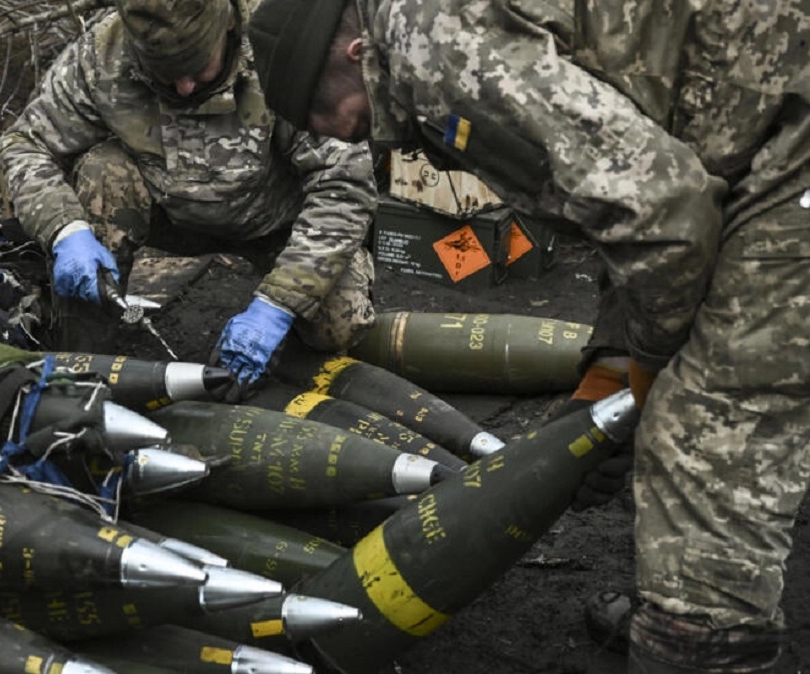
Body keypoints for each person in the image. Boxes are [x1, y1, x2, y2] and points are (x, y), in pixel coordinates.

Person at [245, 0, 810, 672]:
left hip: (787, 149)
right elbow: (616, 202)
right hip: (756, 125)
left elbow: (664, 217)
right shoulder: (427, 34)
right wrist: (614, 361)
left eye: (319, 113)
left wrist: (653, 370)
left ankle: (701, 636)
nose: (339, 135)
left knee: (705, 436)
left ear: (351, 55)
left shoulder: (432, 49)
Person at [0, 0, 379, 395]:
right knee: (102, 171)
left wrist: (279, 304)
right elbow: (24, 143)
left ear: (229, 25)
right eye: (165, 73)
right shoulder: (102, 55)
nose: (184, 87)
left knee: (340, 322)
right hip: (167, 215)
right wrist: (65, 230)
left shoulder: (279, 46)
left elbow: (344, 185)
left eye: (197, 67)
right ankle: (79, 369)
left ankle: (281, 368)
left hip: (276, 224)